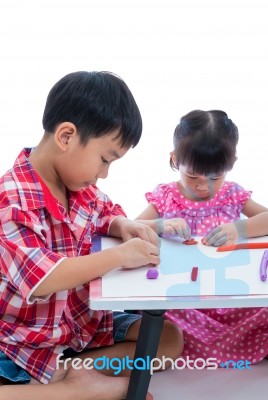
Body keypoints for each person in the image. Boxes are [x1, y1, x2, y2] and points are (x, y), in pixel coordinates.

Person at [0, 71, 183, 400]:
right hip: (24, 343)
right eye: (104, 159)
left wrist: (122, 225)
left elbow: (104, 211)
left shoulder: (79, 187)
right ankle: (68, 389)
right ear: (66, 137)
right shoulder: (11, 200)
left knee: (169, 338)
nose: (103, 173)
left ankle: (74, 376)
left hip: (81, 326)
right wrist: (119, 256)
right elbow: (43, 279)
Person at [136, 109, 268, 366]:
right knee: (159, 322)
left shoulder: (232, 194)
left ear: (231, 164)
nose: (203, 186)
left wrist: (238, 229)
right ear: (175, 160)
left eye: (215, 177)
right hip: (184, 304)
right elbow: (132, 228)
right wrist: (161, 225)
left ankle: (237, 345)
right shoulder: (166, 195)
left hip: (231, 300)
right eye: (192, 175)